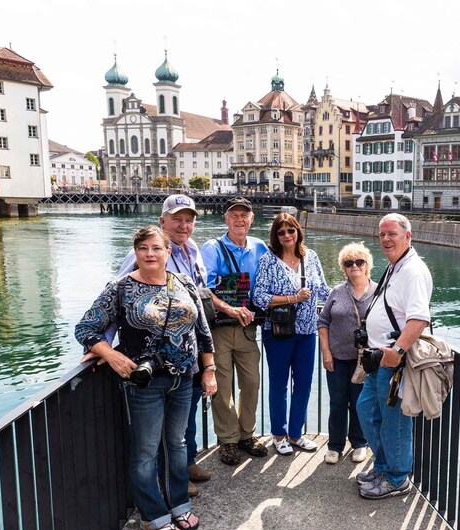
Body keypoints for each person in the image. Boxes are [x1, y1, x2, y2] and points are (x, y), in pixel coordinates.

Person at [75, 226, 216, 530]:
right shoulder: (121, 288)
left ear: (168, 252)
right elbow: (86, 326)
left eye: (156, 248)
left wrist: (208, 369)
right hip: (144, 383)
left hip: (184, 379)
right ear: (135, 252)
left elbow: (202, 331)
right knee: (146, 452)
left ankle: (179, 503)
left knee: (177, 445)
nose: (150, 254)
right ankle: (153, 515)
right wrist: (109, 354)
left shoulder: (183, 282)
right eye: (143, 248)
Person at [117, 194, 211, 496]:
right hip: (155, 360)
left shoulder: (192, 250)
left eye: (189, 219)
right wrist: (102, 349)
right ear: (163, 221)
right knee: (157, 431)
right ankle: (168, 480)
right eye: (177, 219)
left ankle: (186, 464)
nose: (183, 225)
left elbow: (197, 298)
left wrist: (207, 362)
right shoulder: (142, 257)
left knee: (186, 413)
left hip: (187, 354)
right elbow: (116, 302)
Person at [356, 213, 433, 499]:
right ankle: (384, 466)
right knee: (367, 411)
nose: (386, 239)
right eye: (382, 235)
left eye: (392, 234)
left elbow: (418, 319)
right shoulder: (395, 266)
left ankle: (397, 478)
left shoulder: (413, 270)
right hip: (379, 360)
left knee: (394, 421)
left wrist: (397, 352)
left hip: (395, 363)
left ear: (408, 237)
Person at [252, 212, 330, 456]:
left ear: (298, 231)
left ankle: (296, 434)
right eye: (281, 231)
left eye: (290, 230)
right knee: (279, 384)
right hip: (278, 332)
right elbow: (259, 297)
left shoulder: (311, 257)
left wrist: (355, 294)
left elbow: (324, 290)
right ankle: (279, 434)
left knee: (304, 384)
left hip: (307, 331)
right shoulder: (269, 260)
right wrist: (293, 298)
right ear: (276, 235)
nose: (287, 235)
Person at [200, 197, 269, 465]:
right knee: (223, 387)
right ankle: (228, 439)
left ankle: (246, 434)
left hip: (248, 326)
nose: (239, 219)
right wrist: (229, 309)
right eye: (234, 215)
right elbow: (205, 289)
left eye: (245, 215)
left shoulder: (260, 247)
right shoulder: (212, 247)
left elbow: (268, 281)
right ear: (225, 218)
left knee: (252, 382)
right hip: (219, 327)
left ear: (252, 219)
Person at [317, 243, 376, 465]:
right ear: (344, 267)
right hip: (337, 358)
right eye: (349, 263)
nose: (354, 266)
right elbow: (323, 322)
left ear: (367, 265)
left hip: (366, 360)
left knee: (360, 402)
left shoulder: (378, 292)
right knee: (338, 401)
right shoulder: (337, 292)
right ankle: (335, 445)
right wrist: (326, 351)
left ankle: (360, 443)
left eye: (359, 262)